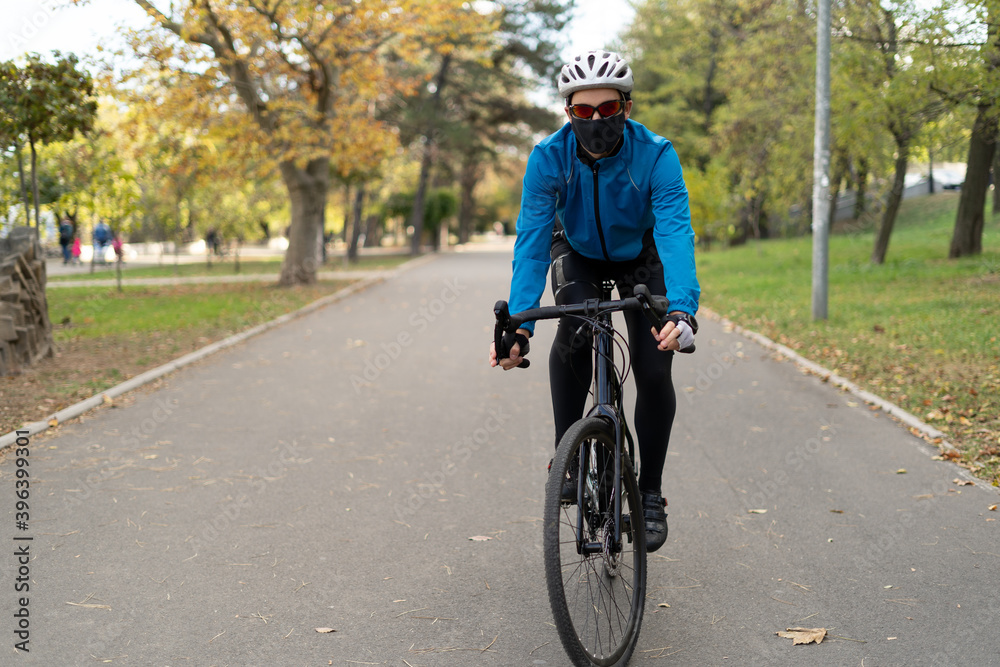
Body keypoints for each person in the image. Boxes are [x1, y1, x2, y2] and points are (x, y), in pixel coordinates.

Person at [489, 50, 700, 552]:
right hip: (577, 251)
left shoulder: (656, 153)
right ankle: (567, 451)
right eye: (584, 112)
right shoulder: (547, 158)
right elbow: (532, 240)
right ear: (568, 113)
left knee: (653, 368)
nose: (597, 120)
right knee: (574, 330)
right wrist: (519, 325)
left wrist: (682, 309)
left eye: (608, 109)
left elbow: (675, 233)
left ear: (626, 106)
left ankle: (649, 492)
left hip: (640, 257)